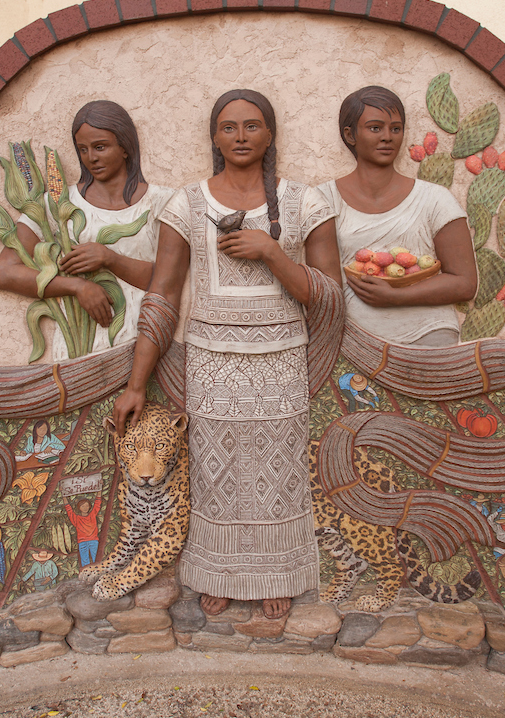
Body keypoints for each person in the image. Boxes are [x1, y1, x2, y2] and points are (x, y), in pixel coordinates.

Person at [112, 89, 342, 620]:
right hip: (212, 364)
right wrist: (136, 383)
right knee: (216, 472)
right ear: (214, 137)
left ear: (270, 134)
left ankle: (277, 573)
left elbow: (330, 295)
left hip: (281, 361)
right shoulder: (186, 205)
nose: (241, 137)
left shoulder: (306, 203)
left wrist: (272, 253)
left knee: (278, 468)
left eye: (253, 126)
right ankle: (218, 570)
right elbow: (163, 295)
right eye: (229, 127)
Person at [0, 100, 174, 360]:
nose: (91, 158)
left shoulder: (163, 202)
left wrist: (110, 259)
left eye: (100, 147)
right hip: (79, 355)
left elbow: (171, 282)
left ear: (125, 147)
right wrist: (76, 286)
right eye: (83, 150)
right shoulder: (56, 203)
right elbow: (3, 272)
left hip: (148, 347)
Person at [317, 86, 476, 347]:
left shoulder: (434, 199)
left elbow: (464, 283)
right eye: (375, 128)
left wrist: (397, 296)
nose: (387, 137)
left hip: (429, 336)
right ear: (350, 134)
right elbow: (324, 285)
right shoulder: (324, 199)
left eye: (396, 128)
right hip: (354, 340)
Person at [66, 495, 102, 567]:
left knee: (96, 559)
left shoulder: (92, 515)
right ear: (79, 508)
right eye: (82, 506)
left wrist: (99, 491)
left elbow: (97, 504)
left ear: (89, 506)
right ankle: (86, 575)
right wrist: (64, 497)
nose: (85, 508)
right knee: (85, 560)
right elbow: (69, 510)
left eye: (86, 506)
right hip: (82, 542)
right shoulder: (76, 519)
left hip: (93, 540)